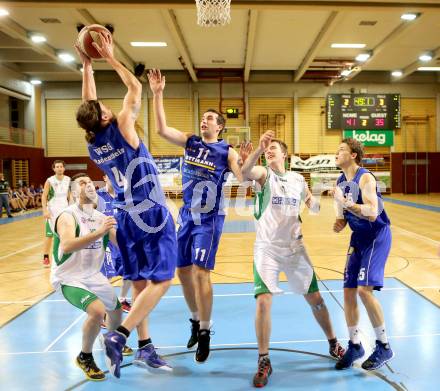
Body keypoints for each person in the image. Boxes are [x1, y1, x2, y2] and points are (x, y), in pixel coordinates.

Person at [75, 30, 176, 378]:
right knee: (163, 280)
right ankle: (120, 336)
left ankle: (146, 347)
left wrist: (86, 67)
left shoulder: (93, 142)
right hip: (150, 212)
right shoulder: (121, 127)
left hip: (124, 214)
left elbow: (89, 106)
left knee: (138, 283)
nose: (106, 106)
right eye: (104, 108)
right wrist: (108, 58)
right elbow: (135, 89)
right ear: (105, 117)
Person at [148, 68, 245, 363]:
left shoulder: (226, 151)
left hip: (210, 218)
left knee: (202, 273)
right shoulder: (191, 141)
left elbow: (242, 178)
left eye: (210, 118)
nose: (204, 120)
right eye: (203, 117)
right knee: (182, 270)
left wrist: (249, 158)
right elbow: (162, 130)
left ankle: (205, 331)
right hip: (187, 216)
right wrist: (157, 94)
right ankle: (194, 319)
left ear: (220, 127)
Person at [241, 131, 345, 387]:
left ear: (285, 154)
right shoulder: (265, 175)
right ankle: (264, 359)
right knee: (263, 301)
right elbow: (245, 172)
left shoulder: (298, 179)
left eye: (274, 147)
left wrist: (324, 201)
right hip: (267, 249)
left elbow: (311, 203)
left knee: (316, 300)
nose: (269, 150)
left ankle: (333, 343)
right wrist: (256, 151)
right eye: (267, 148)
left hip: (295, 248)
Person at [50, 173, 129, 381]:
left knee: (116, 309)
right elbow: (67, 245)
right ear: (74, 191)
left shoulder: (102, 218)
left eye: (90, 182)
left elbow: (122, 245)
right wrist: (99, 232)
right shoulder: (68, 216)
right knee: (97, 311)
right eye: (82, 183)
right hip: (68, 277)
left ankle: (111, 341)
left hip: (93, 275)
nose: (89, 186)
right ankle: (85, 356)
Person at [332, 138, 394, 371]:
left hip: (376, 236)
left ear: (353, 155)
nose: (336, 153)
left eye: (341, 150)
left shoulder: (365, 177)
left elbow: (371, 212)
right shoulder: (340, 181)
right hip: (358, 238)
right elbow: (343, 219)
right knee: (348, 291)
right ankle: (355, 345)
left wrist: (348, 204)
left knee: (363, 290)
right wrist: (339, 222)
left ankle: (384, 345)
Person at [97, 174, 132, 313]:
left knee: (129, 271)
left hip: (122, 240)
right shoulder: (98, 196)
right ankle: (106, 305)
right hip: (106, 241)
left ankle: (122, 300)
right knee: (108, 275)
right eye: (110, 176)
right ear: (104, 177)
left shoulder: (124, 196)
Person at [41, 160, 71, 267]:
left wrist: (72, 208)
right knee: (49, 235)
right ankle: (45, 257)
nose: (59, 168)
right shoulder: (50, 180)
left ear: (64, 168)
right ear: (54, 169)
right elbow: (44, 196)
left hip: (64, 210)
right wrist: (45, 210)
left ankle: (62, 255)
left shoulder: (68, 179)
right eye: (57, 167)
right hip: (52, 211)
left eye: (61, 166)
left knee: (64, 234)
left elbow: (69, 195)